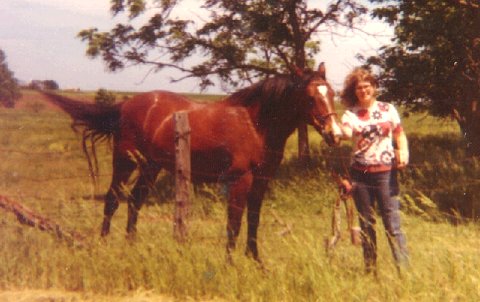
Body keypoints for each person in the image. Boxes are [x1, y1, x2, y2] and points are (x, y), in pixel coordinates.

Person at [339, 67, 409, 274]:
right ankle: (370, 270)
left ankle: (403, 272)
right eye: (359, 88)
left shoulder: (388, 109)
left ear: (374, 87)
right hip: (360, 175)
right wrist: (339, 132)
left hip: (386, 174)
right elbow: (345, 132)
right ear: (355, 91)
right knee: (367, 224)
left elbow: (399, 134)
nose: (363, 91)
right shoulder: (350, 114)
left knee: (392, 224)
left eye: (367, 86)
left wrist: (403, 151)